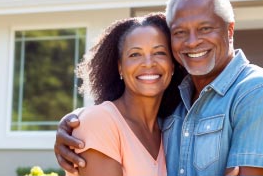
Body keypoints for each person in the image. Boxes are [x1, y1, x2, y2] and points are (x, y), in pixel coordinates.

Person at [56, 0, 263, 176]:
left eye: (205, 28)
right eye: (180, 32)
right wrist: (81, 122)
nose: (193, 41)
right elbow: (117, 126)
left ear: (229, 30)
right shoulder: (175, 106)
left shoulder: (260, 93)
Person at [74, 14, 182, 176]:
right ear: (120, 67)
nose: (148, 62)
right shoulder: (99, 121)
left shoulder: (170, 130)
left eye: (159, 52)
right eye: (135, 54)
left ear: (172, 65)